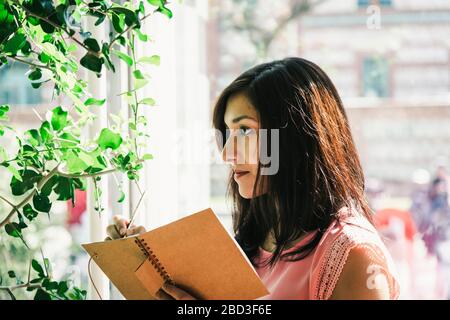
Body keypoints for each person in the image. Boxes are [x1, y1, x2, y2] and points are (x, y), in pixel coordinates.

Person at [106, 57, 400, 300]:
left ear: (295, 137)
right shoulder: (254, 239)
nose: (227, 154)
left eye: (244, 130)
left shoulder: (354, 256)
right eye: (227, 134)